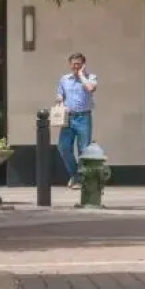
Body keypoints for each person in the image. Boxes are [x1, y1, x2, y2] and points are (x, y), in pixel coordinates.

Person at [55, 53, 97, 188]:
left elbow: (91, 88)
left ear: (83, 64)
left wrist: (81, 75)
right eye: (73, 63)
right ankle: (75, 175)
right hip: (69, 118)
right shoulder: (64, 79)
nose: (75, 66)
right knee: (63, 147)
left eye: (78, 63)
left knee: (83, 149)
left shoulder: (90, 77)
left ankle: (80, 179)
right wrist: (60, 100)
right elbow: (60, 94)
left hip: (84, 117)